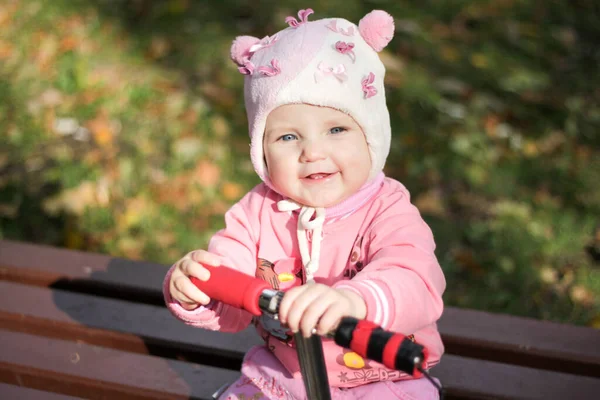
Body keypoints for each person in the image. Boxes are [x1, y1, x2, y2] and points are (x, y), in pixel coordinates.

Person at [164, 8, 445, 400]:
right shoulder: (255, 213)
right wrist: (197, 288)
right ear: (261, 150)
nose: (313, 152)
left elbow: (416, 279)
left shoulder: (388, 209)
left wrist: (354, 299)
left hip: (385, 377)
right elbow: (232, 295)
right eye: (287, 138)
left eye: (336, 129)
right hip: (284, 377)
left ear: (372, 136)